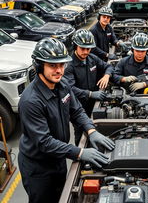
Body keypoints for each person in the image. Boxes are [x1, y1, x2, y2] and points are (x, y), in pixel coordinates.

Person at [18, 38, 115, 203]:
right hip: (39, 167)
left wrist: (91, 130)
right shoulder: (30, 101)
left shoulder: (62, 85)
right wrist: (80, 152)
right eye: (53, 65)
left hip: (58, 159)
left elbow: (76, 111)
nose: (59, 70)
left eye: (62, 65)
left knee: (61, 196)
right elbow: (44, 142)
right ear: (39, 65)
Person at [64, 29, 114, 145]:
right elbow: (69, 89)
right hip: (78, 107)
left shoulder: (92, 58)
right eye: (83, 48)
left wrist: (106, 76)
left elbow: (108, 66)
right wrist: (90, 94)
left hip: (94, 104)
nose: (86, 52)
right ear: (75, 46)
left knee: (94, 130)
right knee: (81, 134)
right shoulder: (69, 66)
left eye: (88, 48)